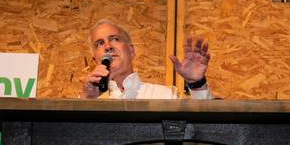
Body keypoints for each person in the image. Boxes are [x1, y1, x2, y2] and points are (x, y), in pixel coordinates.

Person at [80, 19, 212, 99]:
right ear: (94, 60)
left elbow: (202, 129)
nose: (108, 46)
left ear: (132, 50)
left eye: (115, 39)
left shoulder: (166, 96)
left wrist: (197, 84)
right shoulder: (86, 102)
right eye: (99, 43)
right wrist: (87, 100)